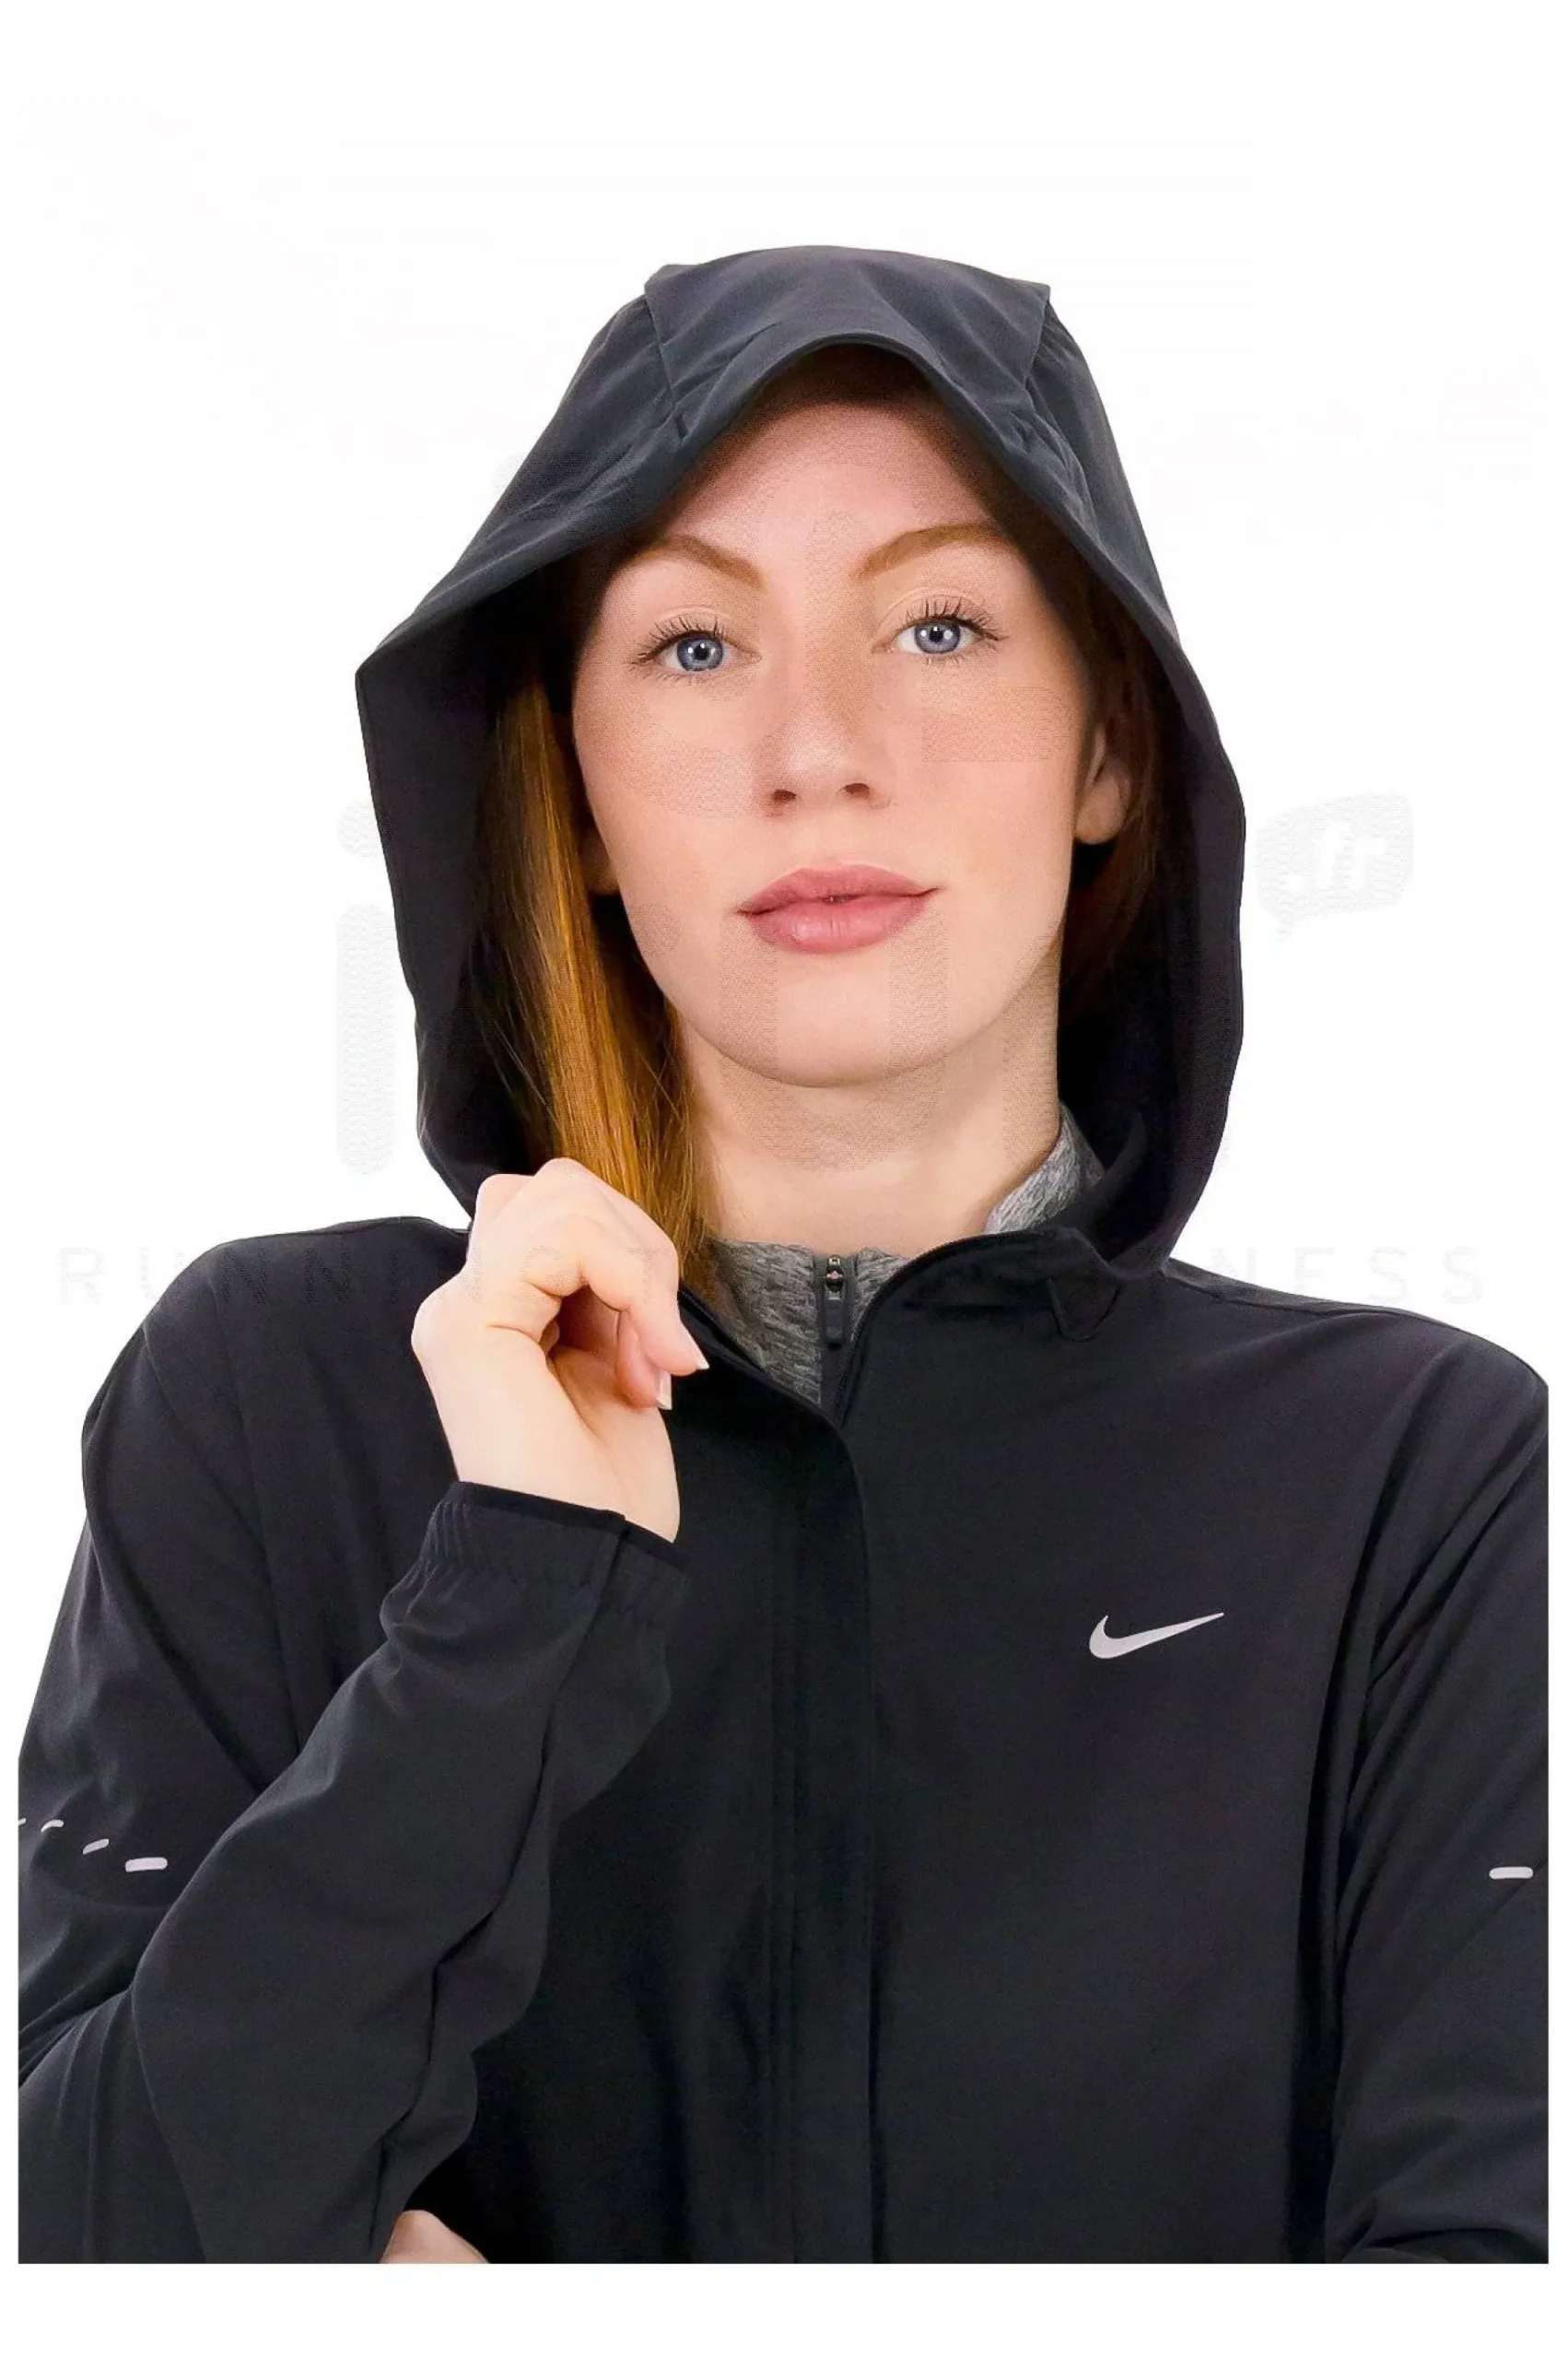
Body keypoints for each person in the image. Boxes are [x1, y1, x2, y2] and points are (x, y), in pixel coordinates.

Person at [18, 244, 1546, 2264]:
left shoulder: (1416, 1479)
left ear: (1108, 748)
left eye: (937, 624)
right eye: (692, 646)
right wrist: (512, 1594)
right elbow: (93, 2247)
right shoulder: (269, 1397)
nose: (816, 748)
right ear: (570, 789)